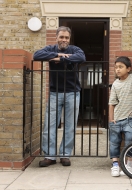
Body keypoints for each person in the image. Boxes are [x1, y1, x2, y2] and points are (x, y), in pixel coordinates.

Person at [33, 26, 86, 167]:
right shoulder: (50, 48)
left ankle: (65, 155)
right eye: (61, 37)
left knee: (70, 126)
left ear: (69, 39)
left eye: (66, 37)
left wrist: (59, 60)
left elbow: (81, 57)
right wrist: (60, 56)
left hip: (73, 92)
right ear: (56, 37)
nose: (64, 40)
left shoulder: (75, 49)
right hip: (54, 92)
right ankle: (50, 156)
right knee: (49, 126)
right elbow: (36, 55)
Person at [108, 56, 132, 177]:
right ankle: (115, 165)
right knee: (114, 143)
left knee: (130, 141)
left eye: (121, 67)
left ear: (128, 69)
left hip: (129, 119)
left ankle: (129, 166)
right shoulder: (115, 84)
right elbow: (112, 103)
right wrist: (111, 119)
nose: (117, 69)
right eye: (116, 67)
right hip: (116, 119)